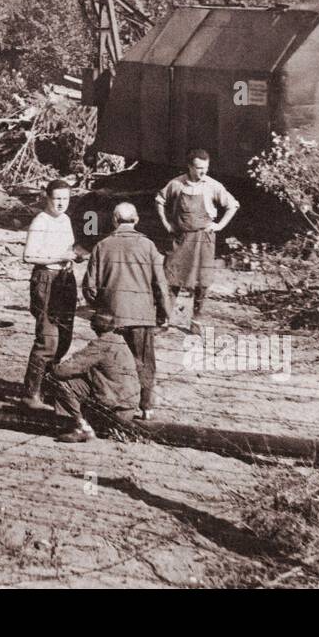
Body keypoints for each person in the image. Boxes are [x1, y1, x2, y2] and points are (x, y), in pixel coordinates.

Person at [81, 202, 173, 420]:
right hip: (141, 316)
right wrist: (164, 313)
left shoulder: (102, 246)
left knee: (113, 361)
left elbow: (90, 287)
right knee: (143, 361)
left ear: (114, 220)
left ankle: (115, 403)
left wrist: (100, 305)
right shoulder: (148, 246)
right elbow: (160, 284)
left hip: (111, 316)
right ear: (137, 220)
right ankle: (146, 406)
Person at [155, 149, 239, 320]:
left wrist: (220, 226)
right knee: (171, 279)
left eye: (206, 168)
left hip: (203, 240)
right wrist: (166, 223)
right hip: (180, 239)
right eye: (199, 168)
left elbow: (233, 205)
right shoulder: (177, 184)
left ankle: (197, 320)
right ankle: (163, 320)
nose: (203, 171)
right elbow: (159, 200)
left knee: (203, 281)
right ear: (189, 167)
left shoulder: (213, 185)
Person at [21, 178, 80, 410]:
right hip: (47, 278)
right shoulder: (40, 221)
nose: (61, 204)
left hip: (65, 279)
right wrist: (60, 258)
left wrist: (75, 255)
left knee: (64, 338)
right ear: (47, 198)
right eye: (57, 199)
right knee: (48, 338)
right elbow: (28, 256)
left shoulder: (65, 219)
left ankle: (49, 388)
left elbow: (68, 248)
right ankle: (31, 393)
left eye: (65, 199)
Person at [48, 312, 140, 443]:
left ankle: (82, 428)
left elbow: (63, 371)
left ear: (92, 326)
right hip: (128, 403)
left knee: (62, 383)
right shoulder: (119, 341)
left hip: (115, 405)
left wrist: (51, 369)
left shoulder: (101, 344)